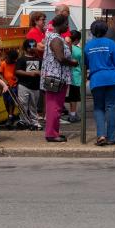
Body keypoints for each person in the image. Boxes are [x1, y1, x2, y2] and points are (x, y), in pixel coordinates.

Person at [85, 19, 115, 146]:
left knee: (98, 108)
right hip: (113, 79)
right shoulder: (111, 43)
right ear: (106, 30)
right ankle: (112, 138)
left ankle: (101, 136)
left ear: (92, 32)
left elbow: (85, 65)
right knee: (111, 108)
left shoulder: (88, 46)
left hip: (97, 80)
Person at [41, 14, 77, 143]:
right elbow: (61, 58)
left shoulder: (53, 37)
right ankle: (51, 134)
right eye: (66, 23)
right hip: (55, 77)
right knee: (54, 107)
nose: (68, 26)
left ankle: (53, 132)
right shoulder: (56, 39)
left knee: (56, 106)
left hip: (55, 76)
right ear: (59, 25)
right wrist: (73, 63)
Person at [15, 40, 43, 130]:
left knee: (34, 105)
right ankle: (24, 121)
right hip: (24, 85)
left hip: (35, 86)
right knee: (23, 104)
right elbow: (17, 71)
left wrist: (40, 73)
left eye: (34, 46)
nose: (33, 48)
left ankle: (35, 121)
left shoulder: (39, 59)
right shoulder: (21, 59)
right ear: (26, 48)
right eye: (31, 46)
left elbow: (43, 71)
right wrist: (29, 74)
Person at [65, 28, 83, 123]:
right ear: (76, 40)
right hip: (75, 77)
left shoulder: (64, 48)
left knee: (65, 97)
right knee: (74, 98)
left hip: (65, 77)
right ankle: (73, 114)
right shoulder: (79, 51)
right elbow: (82, 64)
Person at [0, 49, 19, 123]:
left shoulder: (16, 64)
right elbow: (0, 74)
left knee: (11, 101)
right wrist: (4, 82)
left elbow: (17, 74)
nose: (8, 60)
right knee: (6, 101)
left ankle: (10, 116)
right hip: (5, 87)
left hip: (13, 86)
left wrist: (17, 78)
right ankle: (10, 115)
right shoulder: (3, 63)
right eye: (7, 58)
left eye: (10, 59)